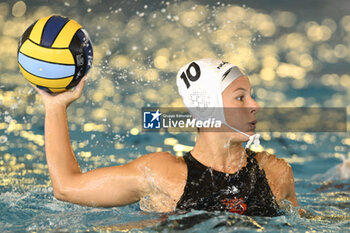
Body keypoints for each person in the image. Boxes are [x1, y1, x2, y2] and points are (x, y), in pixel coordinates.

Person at [33, 58, 301, 217]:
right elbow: (66, 187)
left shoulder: (276, 173)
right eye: (240, 97)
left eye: (251, 95)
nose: (255, 104)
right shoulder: (160, 174)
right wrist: (55, 107)